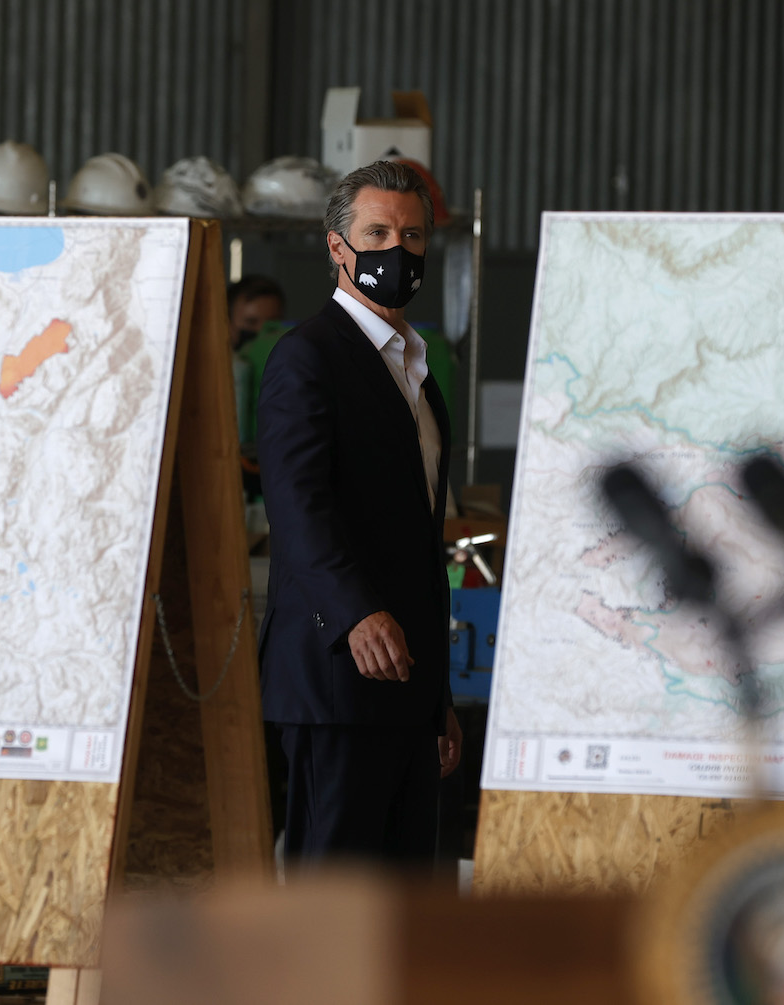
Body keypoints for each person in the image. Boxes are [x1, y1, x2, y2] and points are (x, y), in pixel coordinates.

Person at [256, 160, 462, 866]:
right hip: (337, 680)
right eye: (376, 231)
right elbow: (297, 502)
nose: (395, 250)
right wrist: (355, 612)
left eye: (410, 235)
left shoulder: (420, 375)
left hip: (409, 692)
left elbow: (417, 543)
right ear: (337, 245)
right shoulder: (306, 359)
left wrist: (438, 698)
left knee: (404, 919)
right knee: (332, 914)